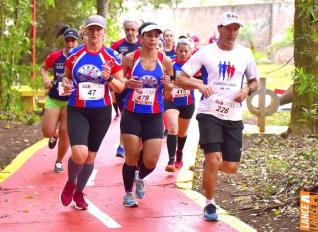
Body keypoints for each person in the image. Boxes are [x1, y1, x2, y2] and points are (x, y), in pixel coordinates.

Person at [175, 12, 258, 221]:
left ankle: (209, 166)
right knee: (214, 159)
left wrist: (247, 90)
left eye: (235, 28)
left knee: (230, 167)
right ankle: (210, 204)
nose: (232, 32)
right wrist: (199, 84)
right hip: (209, 111)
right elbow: (180, 78)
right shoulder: (205, 53)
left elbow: (255, 81)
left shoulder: (245, 54)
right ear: (219, 29)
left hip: (233, 113)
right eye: (228, 28)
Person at [59, 15, 124, 210]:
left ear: (104, 31)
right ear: (85, 31)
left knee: (90, 158)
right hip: (78, 109)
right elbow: (66, 76)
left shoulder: (112, 57)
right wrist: (66, 84)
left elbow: (120, 86)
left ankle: (79, 192)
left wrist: (109, 78)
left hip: (101, 112)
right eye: (91, 29)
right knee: (79, 154)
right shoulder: (74, 55)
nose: (95, 33)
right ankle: (71, 182)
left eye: (99, 29)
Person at [121, 22, 173, 207]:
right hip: (132, 113)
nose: (153, 39)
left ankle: (139, 176)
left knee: (151, 160)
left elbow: (169, 94)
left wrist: (168, 85)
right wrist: (127, 83)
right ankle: (128, 194)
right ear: (141, 38)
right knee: (132, 155)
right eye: (149, 35)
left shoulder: (165, 61)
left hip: (154, 114)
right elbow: (119, 82)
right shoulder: (130, 58)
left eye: (156, 36)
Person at [40, 26, 79, 173]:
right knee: (47, 132)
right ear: (64, 41)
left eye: (73, 41)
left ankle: (58, 161)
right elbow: (43, 68)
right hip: (55, 97)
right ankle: (53, 135)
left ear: (77, 42)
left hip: (72, 100)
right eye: (67, 41)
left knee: (65, 131)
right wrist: (45, 79)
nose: (70, 44)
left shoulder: (80, 57)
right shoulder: (55, 56)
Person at [164, 38, 200, 172]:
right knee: (172, 129)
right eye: (180, 51)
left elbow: (202, 81)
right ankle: (171, 160)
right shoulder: (169, 63)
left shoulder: (194, 65)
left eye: (186, 51)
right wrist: (168, 85)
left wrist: (189, 81)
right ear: (175, 50)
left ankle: (179, 152)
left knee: (182, 133)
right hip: (171, 101)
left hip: (187, 103)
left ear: (191, 52)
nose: (183, 54)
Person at [111, 18, 142, 158]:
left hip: (140, 87)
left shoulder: (143, 44)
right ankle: (122, 146)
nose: (130, 32)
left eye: (133, 29)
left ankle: (137, 143)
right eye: (127, 29)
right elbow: (109, 63)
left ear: (138, 31)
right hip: (123, 86)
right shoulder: (117, 45)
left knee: (140, 116)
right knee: (126, 116)